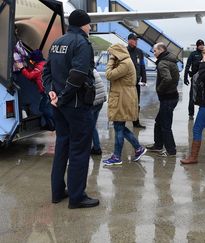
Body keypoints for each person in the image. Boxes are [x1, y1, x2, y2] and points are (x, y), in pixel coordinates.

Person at [42, 9, 99, 209]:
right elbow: (78, 75)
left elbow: (46, 71)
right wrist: (64, 98)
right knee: (79, 150)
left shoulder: (57, 42)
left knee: (62, 147)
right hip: (75, 106)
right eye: (89, 24)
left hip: (59, 105)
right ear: (83, 24)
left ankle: (57, 192)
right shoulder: (82, 43)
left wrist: (51, 93)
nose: (90, 27)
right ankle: (77, 197)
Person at [102, 43, 146, 165]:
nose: (111, 56)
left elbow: (109, 75)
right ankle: (138, 148)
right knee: (119, 126)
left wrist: (111, 60)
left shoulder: (125, 63)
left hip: (123, 97)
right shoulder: (126, 61)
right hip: (123, 96)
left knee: (119, 127)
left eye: (112, 53)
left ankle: (117, 156)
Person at [145, 42, 179, 157]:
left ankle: (171, 150)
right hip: (171, 96)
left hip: (168, 98)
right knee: (159, 121)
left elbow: (167, 78)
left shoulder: (162, 63)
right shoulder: (170, 60)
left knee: (165, 125)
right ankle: (158, 145)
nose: (154, 53)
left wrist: (159, 89)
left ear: (161, 50)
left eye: (155, 51)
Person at [126, 33, 147, 128]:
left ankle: (136, 122)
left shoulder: (140, 52)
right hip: (127, 82)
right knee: (126, 102)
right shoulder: (124, 51)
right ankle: (123, 121)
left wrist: (144, 78)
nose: (136, 42)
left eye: (136, 40)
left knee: (136, 102)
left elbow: (142, 65)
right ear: (129, 40)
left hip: (137, 81)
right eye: (134, 40)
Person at [184, 39, 205, 120]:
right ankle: (191, 114)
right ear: (197, 46)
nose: (201, 46)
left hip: (203, 78)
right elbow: (187, 66)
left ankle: (202, 113)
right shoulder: (193, 54)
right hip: (194, 78)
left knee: (203, 96)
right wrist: (186, 77)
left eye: (202, 44)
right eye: (200, 45)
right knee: (192, 96)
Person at [90, 70, 107, 155]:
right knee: (93, 125)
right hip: (100, 99)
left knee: (91, 126)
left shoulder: (85, 69)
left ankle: (97, 148)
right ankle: (95, 146)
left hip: (95, 100)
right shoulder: (92, 69)